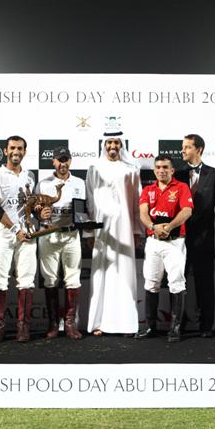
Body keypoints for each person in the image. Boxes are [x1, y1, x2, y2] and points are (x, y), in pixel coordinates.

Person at [85, 132, 142, 335]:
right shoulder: (94, 167)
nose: (113, 146)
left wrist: (137, 230)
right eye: (109, 142)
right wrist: (89, 232)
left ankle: (126, 324)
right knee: (102, 272)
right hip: (101, 229)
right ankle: (100, 322)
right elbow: (89, 201)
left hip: (125, 228)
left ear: (121, 145)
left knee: (124, 273)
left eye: (116, 142)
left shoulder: (131, 168)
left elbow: (137, 201)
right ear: (104, 145)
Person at [0, 135, 38, 342]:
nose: (16, 152)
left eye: (20, 148)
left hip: (27, 234)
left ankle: (23, 328)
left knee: (26, 280)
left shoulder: (30, 176)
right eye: (13, 148)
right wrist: (16, 229)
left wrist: (39, 212)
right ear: (6, 151)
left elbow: (31, 205)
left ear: (24, 151)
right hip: (3, 235)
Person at [136, 154, 193, 342]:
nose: (161, 170)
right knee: (151, 283)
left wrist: (169, 227)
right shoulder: (148, 189)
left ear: (172, 170)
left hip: (175, 242)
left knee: (176, 283)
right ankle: (150, 327)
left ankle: (175, 329)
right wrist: (153, 227)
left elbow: (187, 211)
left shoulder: (181, 187)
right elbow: (143, 213)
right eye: (158, 167)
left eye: (165, 167)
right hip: (153, 241)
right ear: (154, 170)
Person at [174, 134, 215, 337]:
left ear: (199, 149)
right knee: (178, 283)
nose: (183, 150)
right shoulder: (177, 174)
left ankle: (206, 326)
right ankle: (178, 325)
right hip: (179, 237)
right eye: (183, 147)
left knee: (205, 283)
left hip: (205, 237)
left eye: (187, 147)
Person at [36, 146, 85, 340]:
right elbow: (34, 210)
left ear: (70, 161)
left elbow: (85, 209)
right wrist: (40, 214)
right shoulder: (43, 184)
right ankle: (53, 323)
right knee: (49, 280)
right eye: (59, 160)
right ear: (53, 161)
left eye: (66, 159)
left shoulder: (79, 183)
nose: (62, 163)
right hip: (48, 234)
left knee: (73, 279)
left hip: (71, 234)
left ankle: (70, 323)